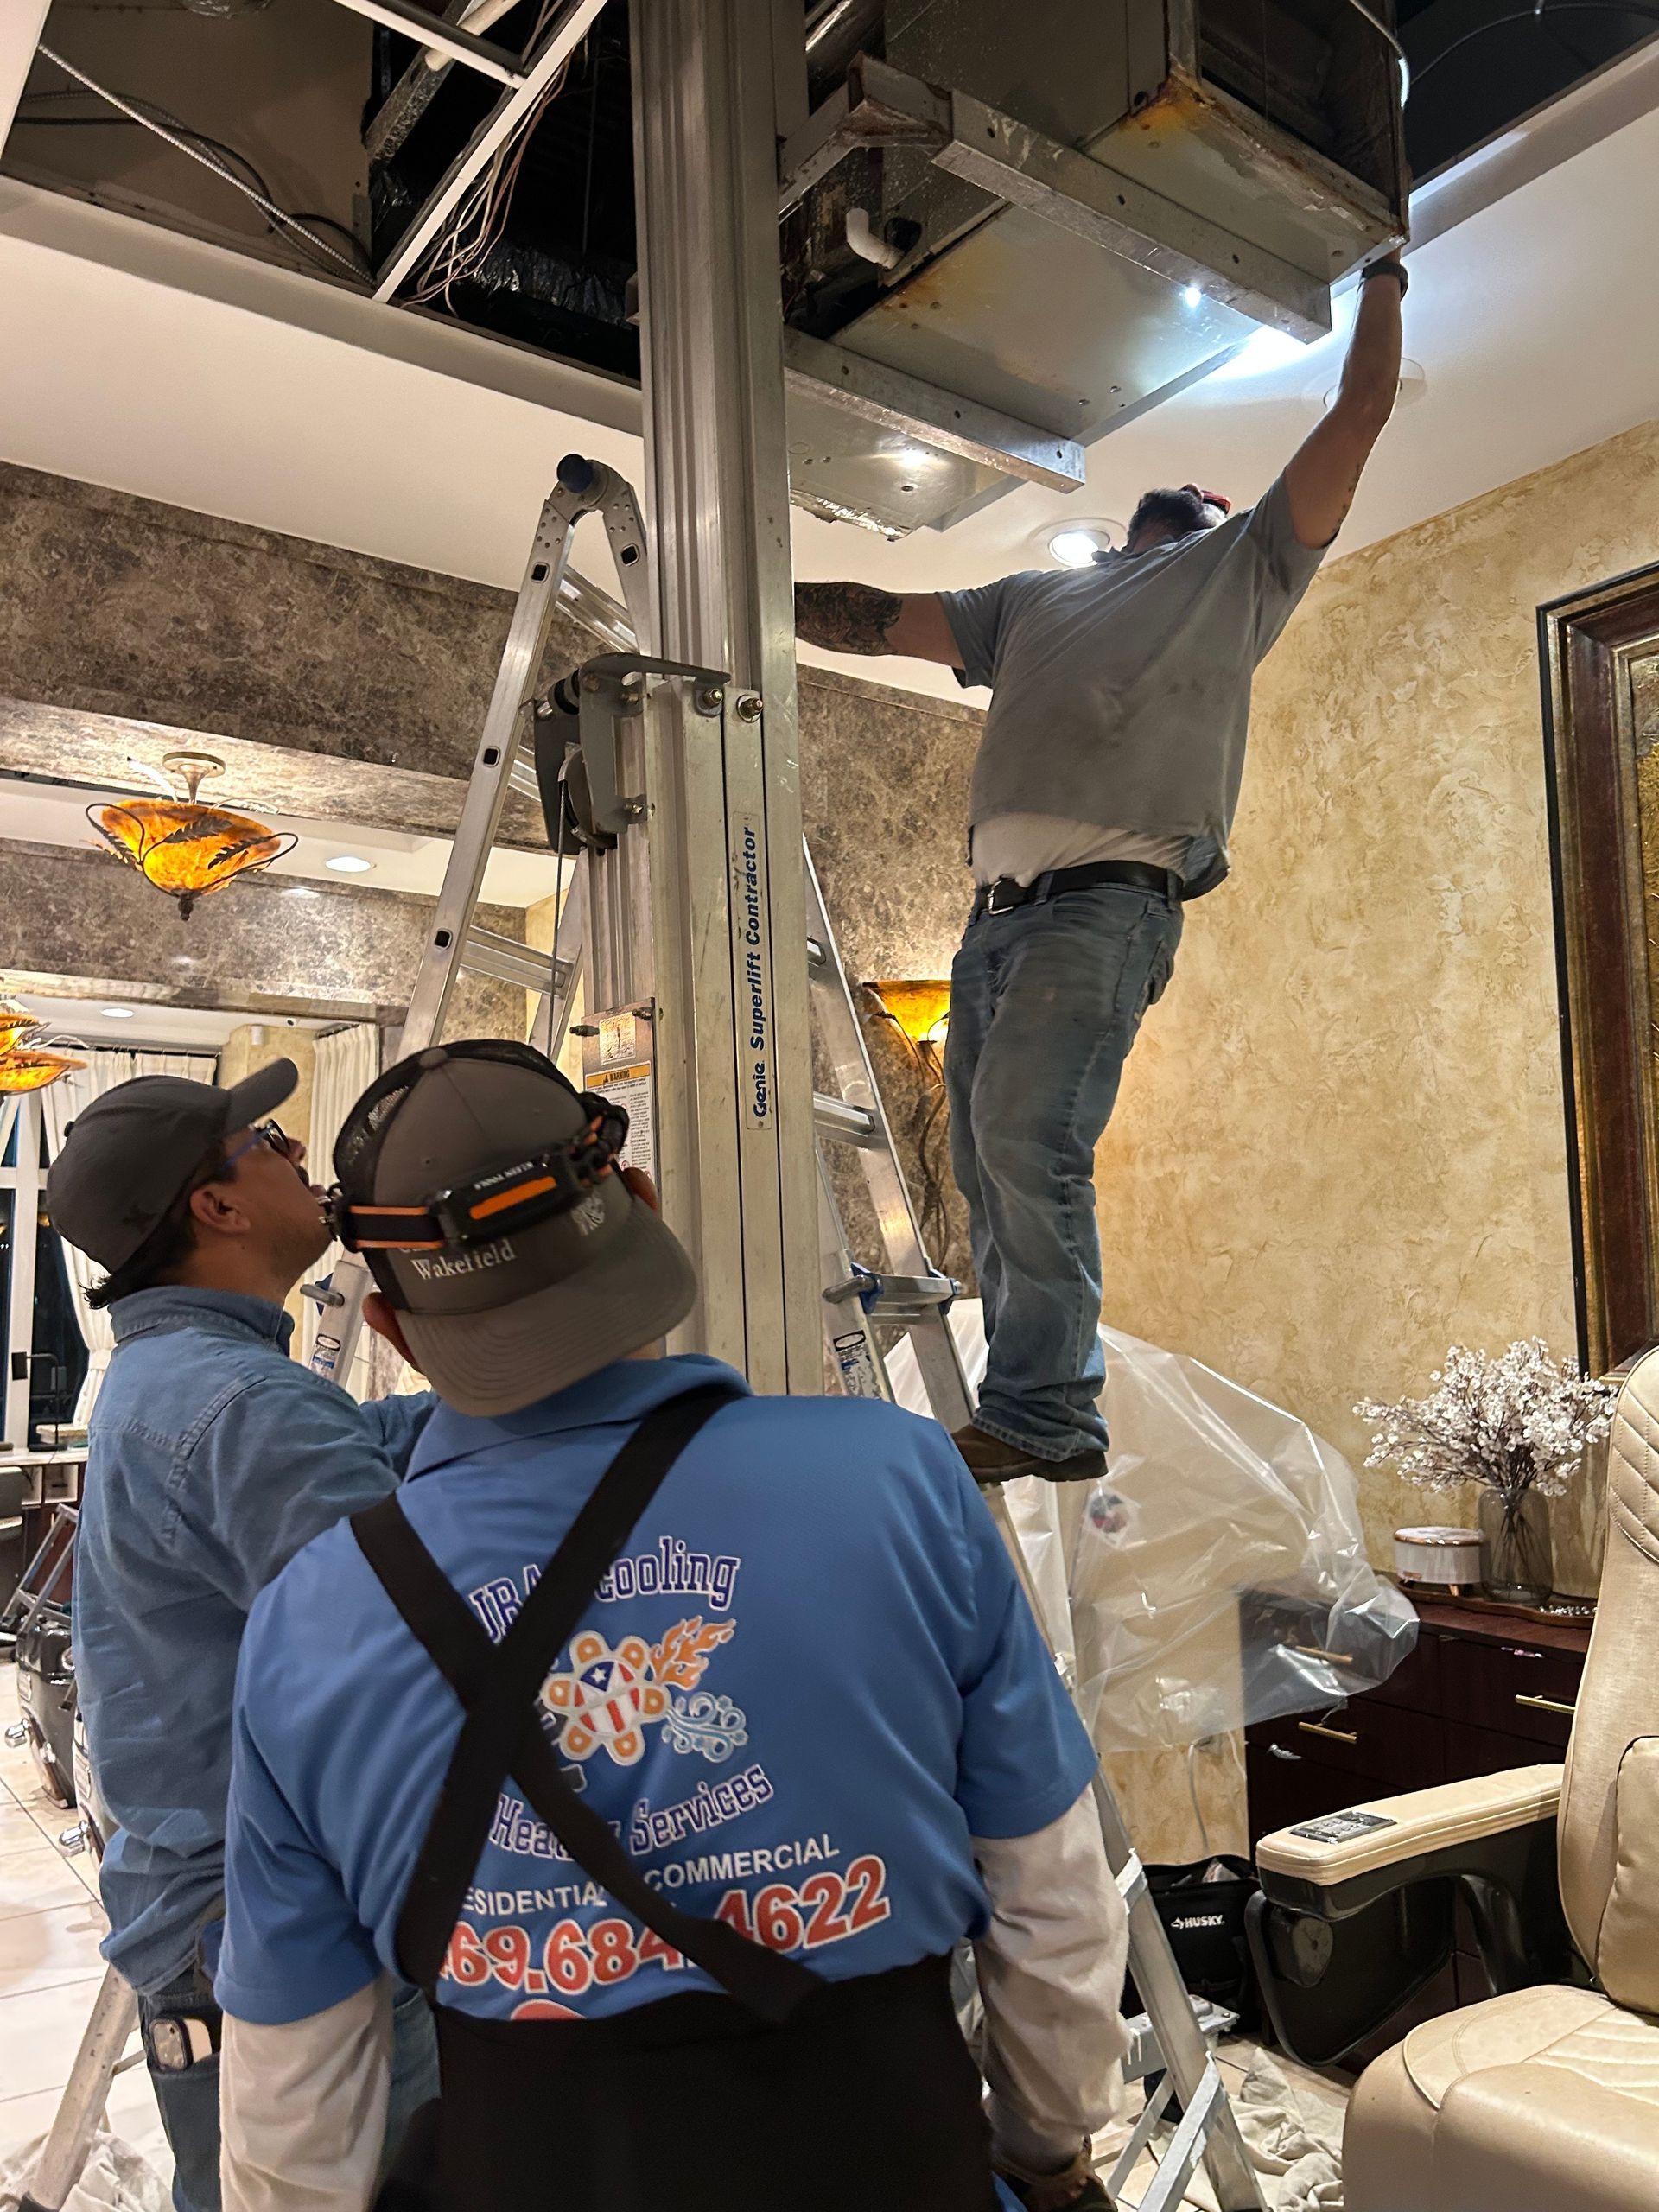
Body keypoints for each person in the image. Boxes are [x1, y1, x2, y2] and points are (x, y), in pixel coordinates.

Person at [213, 1039, 1128, 2212]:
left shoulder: (311, 1616)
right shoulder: (894, 1479)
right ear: (639, 1205)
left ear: (391, 1330)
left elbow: (292, 2092)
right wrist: (1048, 2150)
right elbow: (1052, 1896)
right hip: (890, 2159)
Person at [796, 255, 1408, 1484]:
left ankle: (1046, 1417)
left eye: (1211, 491)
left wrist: (1380, 281)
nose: (1191, 490)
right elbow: (878, 613)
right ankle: (1026, 1401)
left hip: (1105, 914)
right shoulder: (1031, 600)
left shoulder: (1239, 571)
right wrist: (745, 579)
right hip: (994, 923)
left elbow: (1358, 416)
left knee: (1029, 1139)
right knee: (980, 1154)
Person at [46, 1061, 441, 2212]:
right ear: (214, 1208)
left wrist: (493, 1392)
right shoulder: (244, 1407)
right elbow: (419, 1655)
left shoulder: (178, 1375)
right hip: (269, 1921)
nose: (295, 1149)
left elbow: (349, 1446)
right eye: (265, 1138)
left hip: (203, 1906)